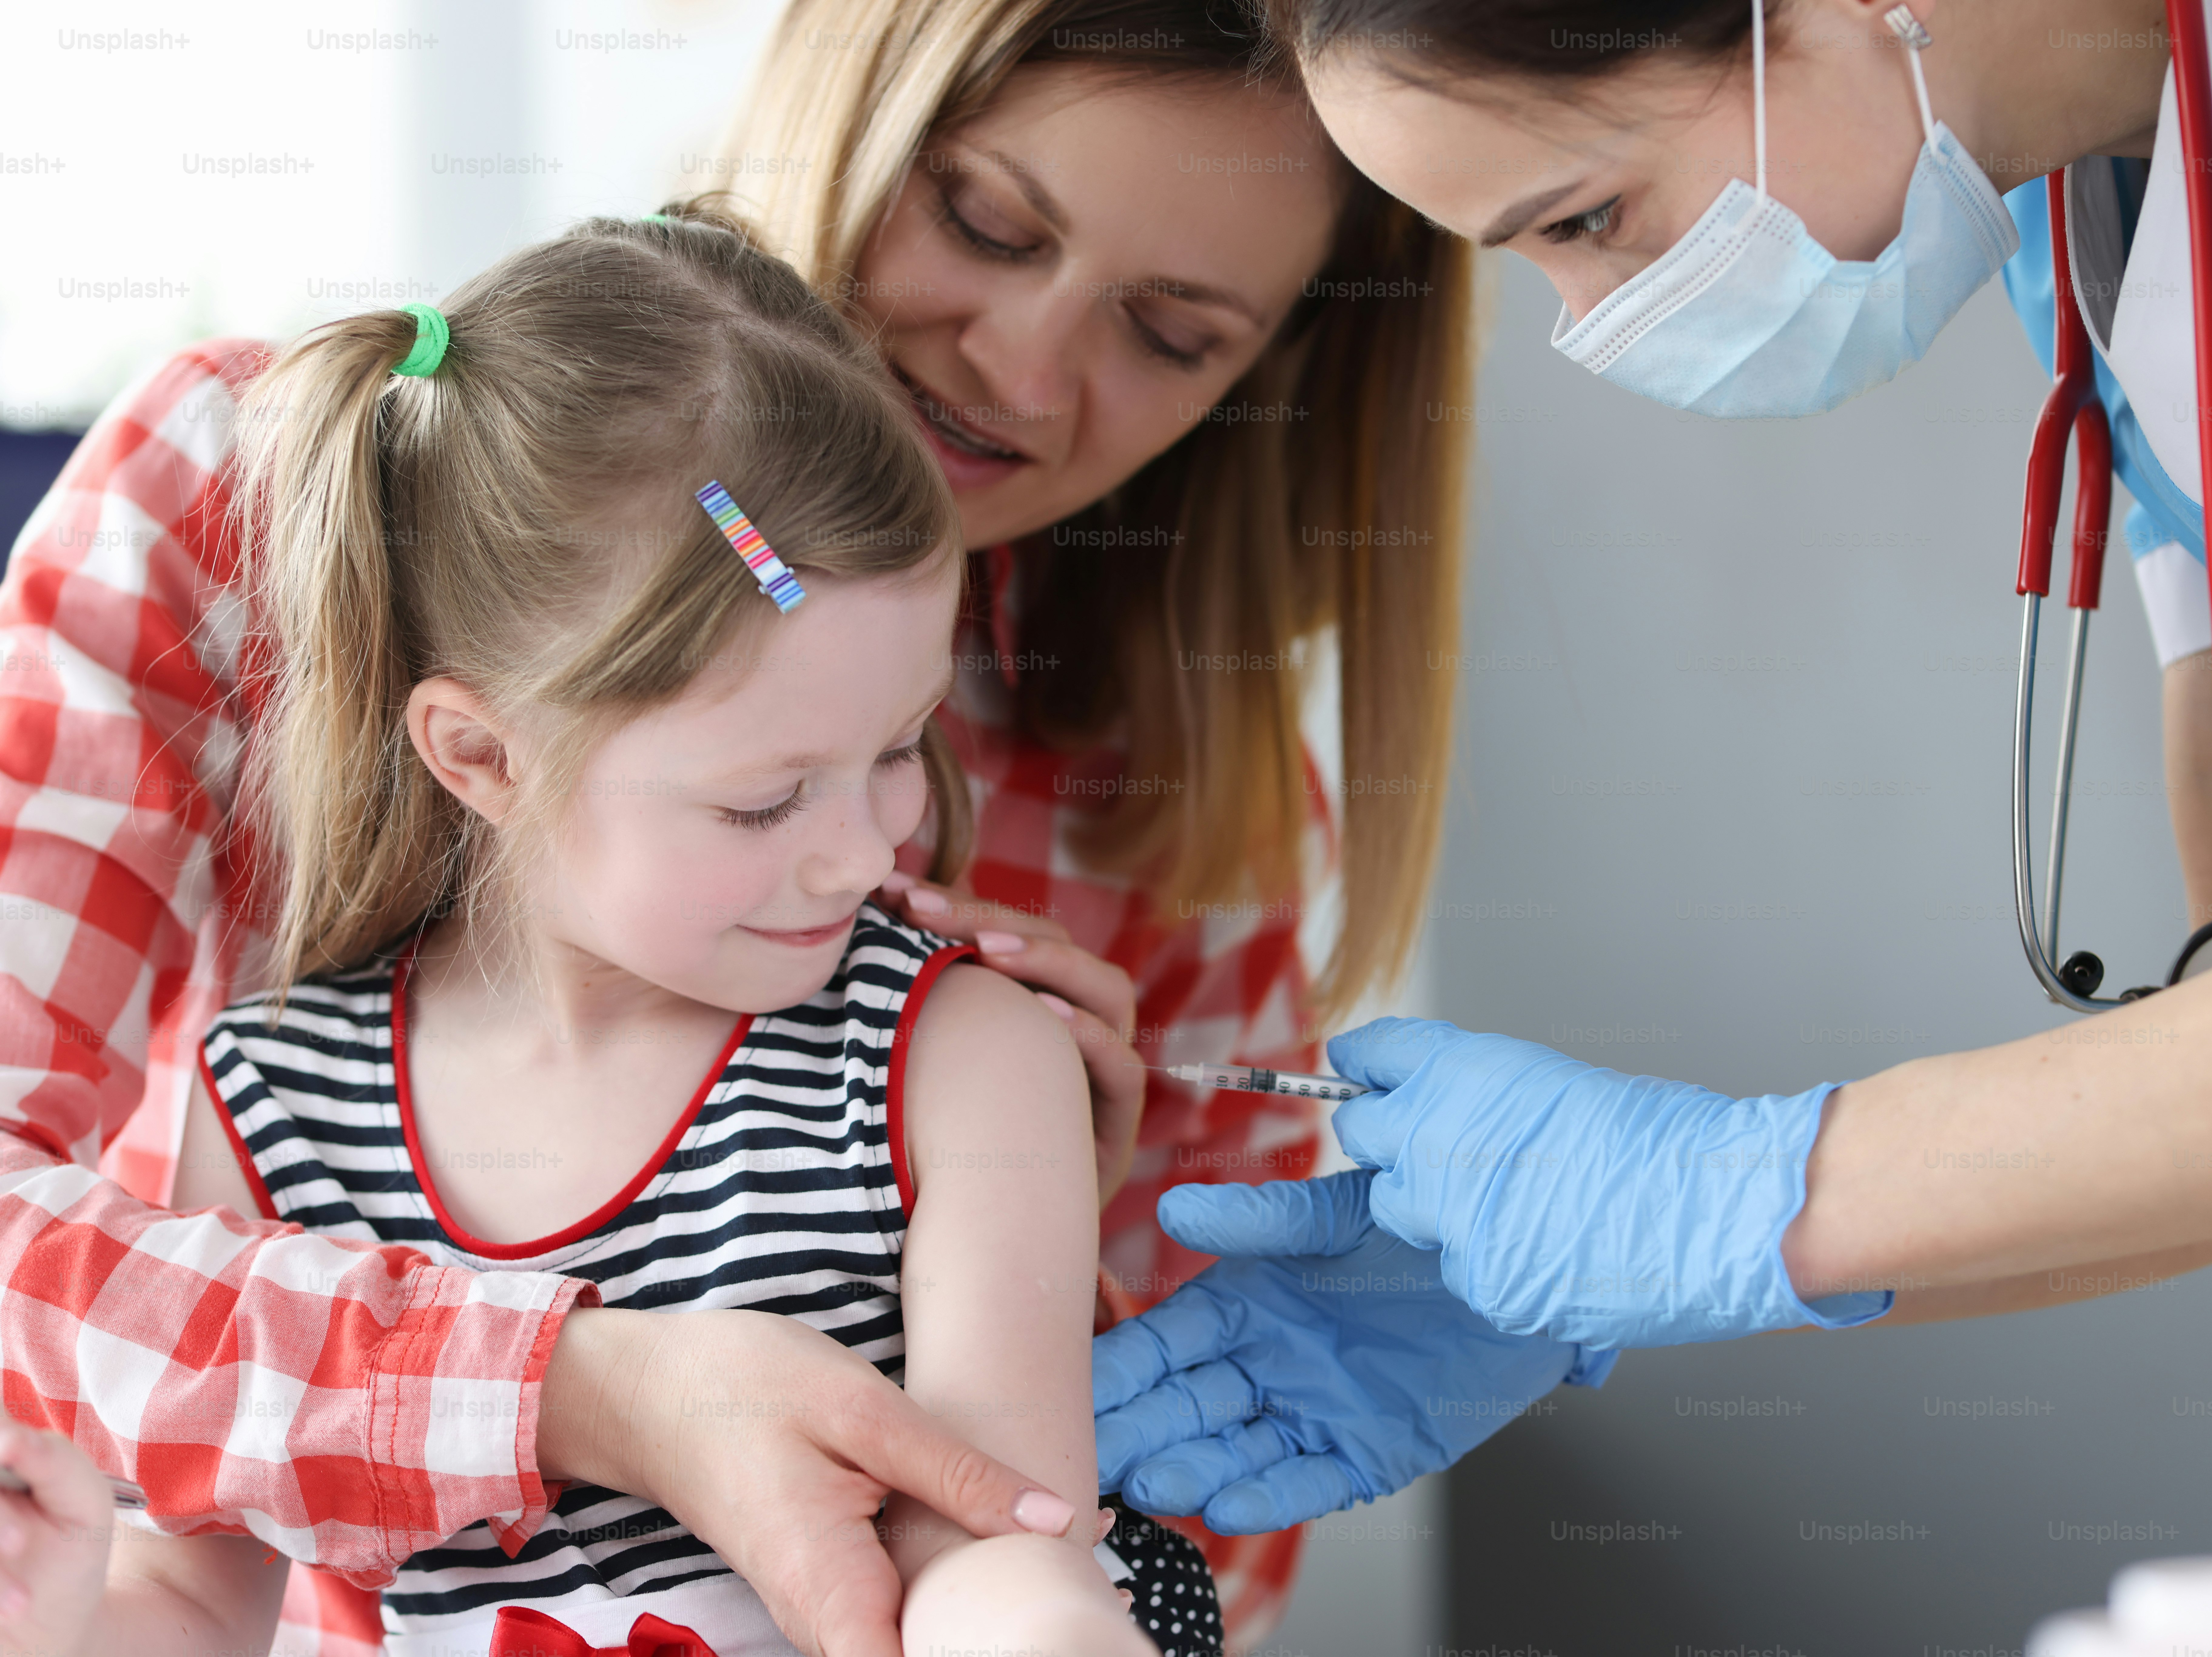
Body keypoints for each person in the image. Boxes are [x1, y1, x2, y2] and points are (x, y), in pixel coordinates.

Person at [0, 0, 1469, 1648]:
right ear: (475, 747)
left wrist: (1066, 1262)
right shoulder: (249, 512)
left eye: (1175, 334)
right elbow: (170, 1561)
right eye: (986, 224)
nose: (1024, 368)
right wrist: (577, 1384)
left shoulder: (1160, 820)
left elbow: (1146, 1544)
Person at [1093, 0, 2212, 1537]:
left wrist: (1739, 1195)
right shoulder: (2075, 222)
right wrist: (1623, 1281)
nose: (1592, 320)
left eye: (1590, 217)